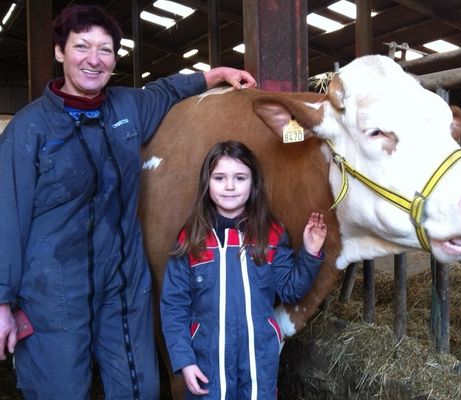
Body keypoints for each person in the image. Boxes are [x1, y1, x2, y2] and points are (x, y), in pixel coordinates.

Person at [0, 4, 256, 399]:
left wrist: (216, 75)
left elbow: (168, 90)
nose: (93, 59)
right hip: (53, 289)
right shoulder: (29, 128)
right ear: (59, 52)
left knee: (139, 388)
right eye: (81, 46)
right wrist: (3, 300)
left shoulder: (127, 107)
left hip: (122, 282)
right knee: (59, 390)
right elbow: (7, 215)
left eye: (105, 50)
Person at [160, 141, 327, 399]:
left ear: (253, 183)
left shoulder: (271, 234)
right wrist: (185, 361)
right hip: (206, 363)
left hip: (259, 361)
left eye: (240, 177)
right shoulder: (191, 239)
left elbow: (291, 290)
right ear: (207, 183)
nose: (229, 186)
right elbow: (174, 305)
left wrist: (310, 253)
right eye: (219, 178)